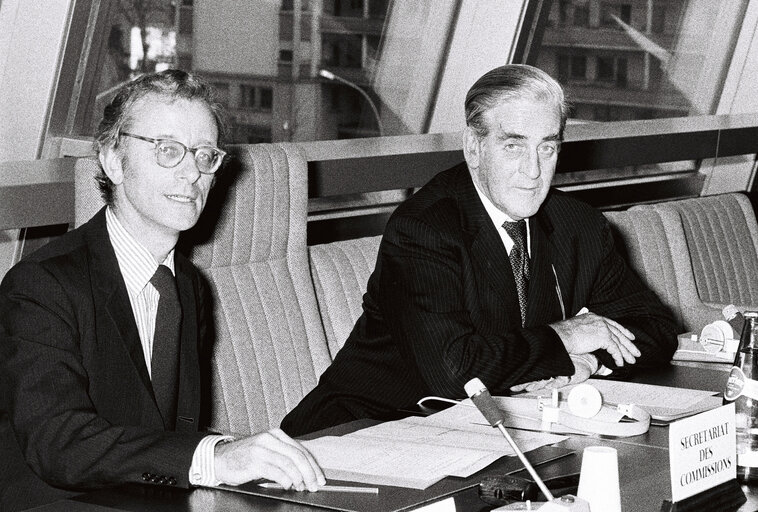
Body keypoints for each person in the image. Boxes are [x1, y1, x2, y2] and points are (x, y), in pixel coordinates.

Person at [281, 64, 678, 437]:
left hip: (485, 432)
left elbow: (656, 330)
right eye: (512, 146)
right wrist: (568, 337)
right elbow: (455, 370)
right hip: (366, 431)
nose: (533, 170)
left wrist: (589, 361)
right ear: (474, 146)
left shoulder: (579, 225)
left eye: (547, 148)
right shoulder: (425, 228)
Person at [0, 70, 324, 512]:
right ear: (113, 161)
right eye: (168, 151)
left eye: (206, 155)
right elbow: (59, 444)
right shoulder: (41, 285)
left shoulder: (189, 287)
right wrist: (214, 456)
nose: (192, 172)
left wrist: (237, 450)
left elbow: (170, 435)